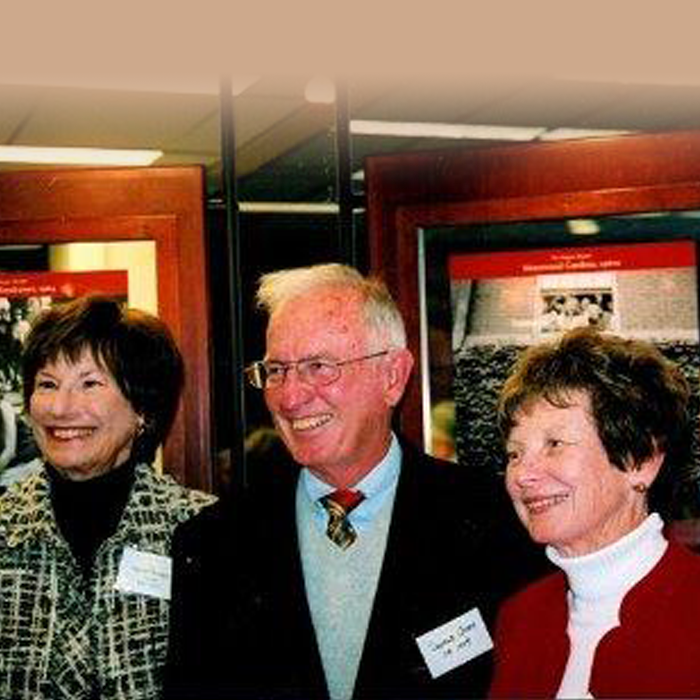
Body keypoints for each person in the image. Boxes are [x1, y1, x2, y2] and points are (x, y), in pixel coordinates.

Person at [165, 263, 544, 700]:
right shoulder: (214, 543)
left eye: (319, 366)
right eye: (276, 371)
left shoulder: (497, 521)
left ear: (393, 377)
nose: (289, 397)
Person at [0, 296, 216, 700]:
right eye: (47, 384)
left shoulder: (203, 529)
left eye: (90, 383)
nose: (61, 408)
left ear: (143, 409)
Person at [489, 326, 700, 699]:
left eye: (554, 444)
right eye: (514, 453)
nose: (522, 474)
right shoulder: (519, 618)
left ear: (640, 461)